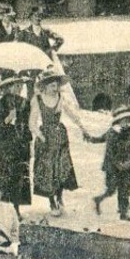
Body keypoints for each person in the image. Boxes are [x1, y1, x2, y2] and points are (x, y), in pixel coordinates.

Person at [29, 72, 81, 216]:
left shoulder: (60, 98)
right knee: (48, 170)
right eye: (52, 85)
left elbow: (72, 114)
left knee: (61, 168)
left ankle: (60, 197)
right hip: (45, 138)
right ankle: (51, 200)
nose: (55, 88)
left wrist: (82, 127)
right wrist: (41, 136)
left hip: (60, 136)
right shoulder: (37, 99)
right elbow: (32, 123)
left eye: (57, 85)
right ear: (45, 86)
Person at [0, 74, 33, 211]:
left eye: (21, 85)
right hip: (5, 144)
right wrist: (8, 118)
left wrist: (29, 143)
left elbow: (27, 125)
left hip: (21, 143)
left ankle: (15, 208)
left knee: (19, 176)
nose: (19, 88)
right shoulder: (1, 103)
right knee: (3, 175)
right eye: (16, 85)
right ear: (8, 87)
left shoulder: (25, 103)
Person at [93, 106, 130, 221]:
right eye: (123, 121)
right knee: (111, 189)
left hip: (128, 165)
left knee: (125, 188)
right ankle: (98, 200)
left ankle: (123, 213)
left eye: (127, 120)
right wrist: (90, 138)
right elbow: (108, 150)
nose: (125, 123)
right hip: (113, 167)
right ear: (118, 121)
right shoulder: (112, 133)